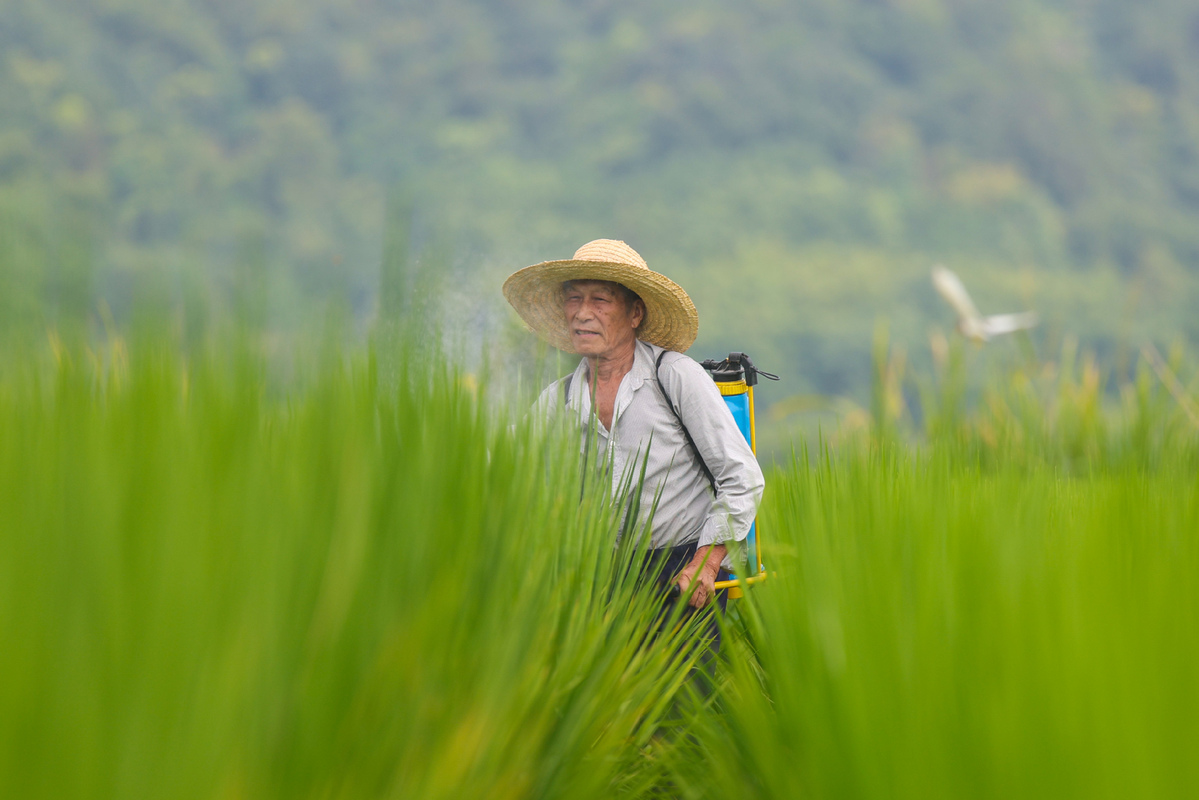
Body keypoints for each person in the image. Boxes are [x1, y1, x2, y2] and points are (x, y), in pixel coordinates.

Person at [503, 239, 764, 646]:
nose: (582, 313)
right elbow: (507, 480)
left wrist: (706, 563)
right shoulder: (556, 402)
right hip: (597, 579)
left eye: (600, 300)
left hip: (681, 574)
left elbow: (741, 477)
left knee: (683, 703)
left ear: (635, 313)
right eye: (574, 299)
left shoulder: (674, 377)